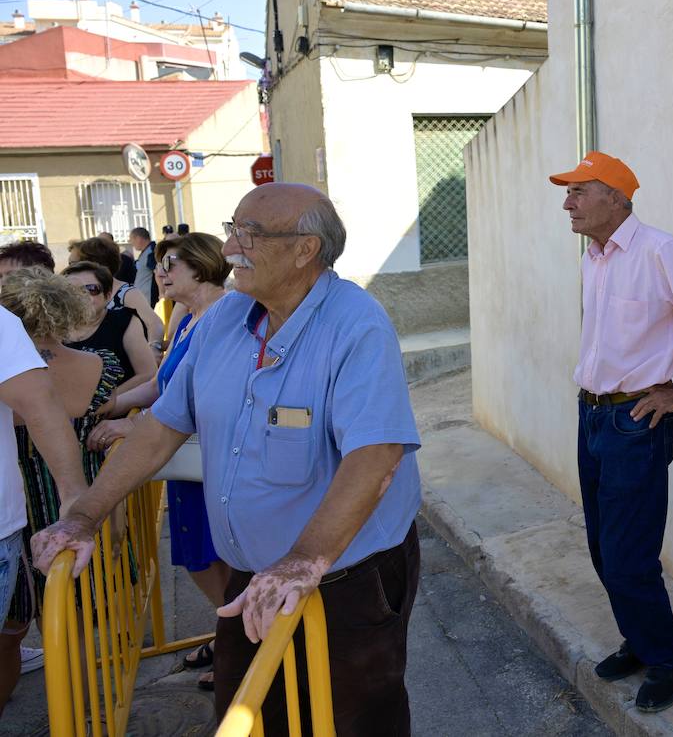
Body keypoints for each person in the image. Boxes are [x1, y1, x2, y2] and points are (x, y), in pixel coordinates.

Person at [33, 183, 423, 736]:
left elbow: (375, 455)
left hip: (345, 576)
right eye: (233, 226)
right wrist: (84, 514)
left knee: (355, 719)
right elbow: (163, 426)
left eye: (249, 233)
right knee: (253, 713)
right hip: (254, 574)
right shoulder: (226, 318)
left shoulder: (356, 325)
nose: (231, 245)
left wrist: (303, 560)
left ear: (305, 249)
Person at [549, 151, 673, 713]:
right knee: (604, 552)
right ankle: (641, 637)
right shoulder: (594, 257)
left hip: (636, 423)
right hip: (592, 415)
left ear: (615, 196)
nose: (568, 203)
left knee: (629, 556)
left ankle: (668, 656)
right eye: (568, 192)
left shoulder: (660, 251)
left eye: (578, 191)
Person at [91, 232, 232, 691]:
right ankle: (231, 636)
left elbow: (194, 394)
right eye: (161, 263)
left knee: (213, 560)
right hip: (183, 456)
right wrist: (113, 406)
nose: (160, 272)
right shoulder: (187, 317)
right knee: (203, 559)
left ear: (203, 266)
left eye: (171, 264)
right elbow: (163, 384)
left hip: (206, 460)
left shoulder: (221, 317)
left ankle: (241, 646)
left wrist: (134, 424)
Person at [0, 268, 120, 705]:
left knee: (11, 631)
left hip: (18, 505)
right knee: (78, 619)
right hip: (71, 503)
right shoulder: (96, 366)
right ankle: (85, 712)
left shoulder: (9, 375)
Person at [60, 262, 156, 397]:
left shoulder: (124, 322)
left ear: (108, 295)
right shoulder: (55, 327)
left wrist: (103, 402)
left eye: (91, 289)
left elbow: (148, 373)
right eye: (71, 291)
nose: (81, 296)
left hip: (116, 409)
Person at [71, 236, 163, 346]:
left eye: (74, 263)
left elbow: (154, 323)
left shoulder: (126, 293)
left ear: (93, 263)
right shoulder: (79, 293)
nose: (71, 269)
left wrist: (154, 348)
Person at [127, 227, 159, 308]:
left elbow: (159, 273)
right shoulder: (146, 252)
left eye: (132, 239)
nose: (131, 243)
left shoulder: (151, 252)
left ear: (138, 238)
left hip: (150, 300)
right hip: (144, 299)